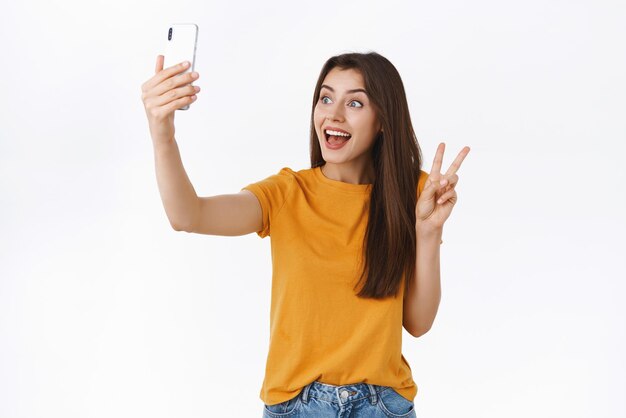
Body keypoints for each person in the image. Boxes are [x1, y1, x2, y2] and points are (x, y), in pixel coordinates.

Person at [141, 51, 470, 418]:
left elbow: (419, 323)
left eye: (355, 103)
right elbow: (188, 215)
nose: (333, 114)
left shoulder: (412, 194)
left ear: (383, 120)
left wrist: (427, 232)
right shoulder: (287, 193)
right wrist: (163, 134)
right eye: (326, 98)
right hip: (298, 407)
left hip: (383, 406)